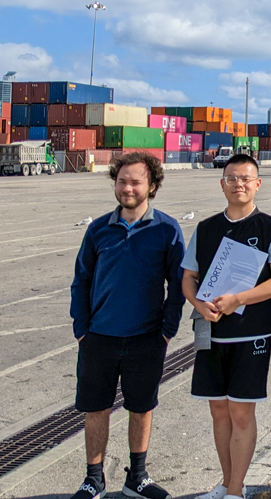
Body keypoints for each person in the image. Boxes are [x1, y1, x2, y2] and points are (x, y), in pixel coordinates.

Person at [69, 152, 184, 499]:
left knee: (142, 406)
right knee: (96, 407)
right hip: (99, 336)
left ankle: (137, 476)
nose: (128, 187)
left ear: (152, 185)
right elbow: (81, 280)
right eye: (122, 181)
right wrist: (81, 328)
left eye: (136, 181)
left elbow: (178, 284)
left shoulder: (166, 229)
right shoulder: (98, 229)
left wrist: (167, 329)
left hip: (146, 338)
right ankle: (94, 478)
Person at [181, 154, 271, 499]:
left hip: (252, 336)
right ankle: (228, 482)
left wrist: (238, 300)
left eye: (246, 178)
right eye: (232, 178)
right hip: (211, 333)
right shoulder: (206, 228)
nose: (238, 184)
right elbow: (188, 278)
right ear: (222, 183)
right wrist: (199, 304)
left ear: (257, 184)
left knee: (241, 411)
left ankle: (234, 490)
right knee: (218, 410)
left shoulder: (270, 227)